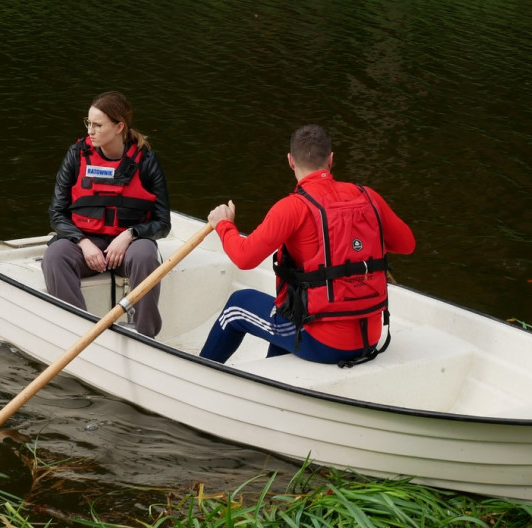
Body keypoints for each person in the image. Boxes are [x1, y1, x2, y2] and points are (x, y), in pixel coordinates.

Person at [200, 124, 415, 366]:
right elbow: (407, 244)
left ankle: (197, 376)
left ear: (290, 161)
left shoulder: (292, 208)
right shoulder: (367, 196)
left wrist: (224, 225)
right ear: (331, 159)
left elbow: (244, 258)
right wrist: (356, 246)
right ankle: (273, 382)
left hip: (324, 343)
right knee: (286, 308)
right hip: (371, 338)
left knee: (237, 306)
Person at [41, 91, 171, 337]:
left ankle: (146, 335)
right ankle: (78, 332)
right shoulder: (76, 156)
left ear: (119, 126)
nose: (91, 130)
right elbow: (57, 213)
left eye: (98, 125)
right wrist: (82, 241)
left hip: (128, 248)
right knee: (55, 256)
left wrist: (130, 235)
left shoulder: (147, 162)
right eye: (88, 123)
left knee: (145, 255)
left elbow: (162, 223)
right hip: (87, 243)